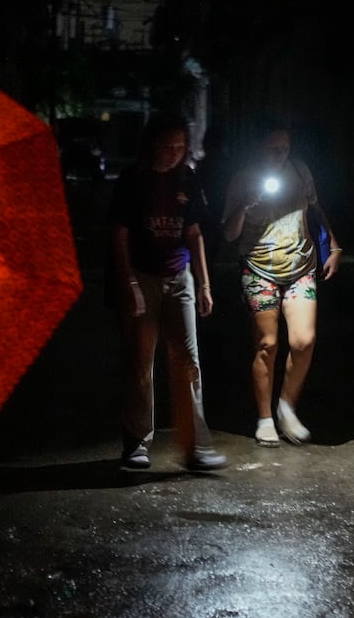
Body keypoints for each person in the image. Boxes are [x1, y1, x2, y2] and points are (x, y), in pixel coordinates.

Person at [107, 112, 227, 471]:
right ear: (152, 144)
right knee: (140, 362)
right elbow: (119, 235)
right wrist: (128, 284)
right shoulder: (133, 180)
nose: (173, 152)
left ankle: (195, 447)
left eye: (180, 146)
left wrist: (204, 283)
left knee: (188, 361)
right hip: (143, 276)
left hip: (180, 278)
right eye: (167, 145)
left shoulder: (186, 179)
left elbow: (194, 233)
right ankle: (137, 443)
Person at [221, 125, 341, 446]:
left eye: (285, 147)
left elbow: (315, 209)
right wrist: (246, 206)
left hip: (301, 265)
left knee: (304, 341)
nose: (280, 153)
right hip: (259, 268)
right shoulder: (243, 179)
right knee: (267, 344)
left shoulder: (300, 171)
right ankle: (264, 418)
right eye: (273, 148)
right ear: (258, 148)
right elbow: (229, 235)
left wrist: (333, 242)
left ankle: (287, 406)